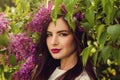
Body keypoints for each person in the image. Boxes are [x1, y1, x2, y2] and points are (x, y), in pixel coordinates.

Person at [31, 3, 97, 80]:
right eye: (49, 35)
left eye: (62, 34)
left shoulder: (82, 78)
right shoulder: (45, 71)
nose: (53, 42)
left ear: (77, 36)